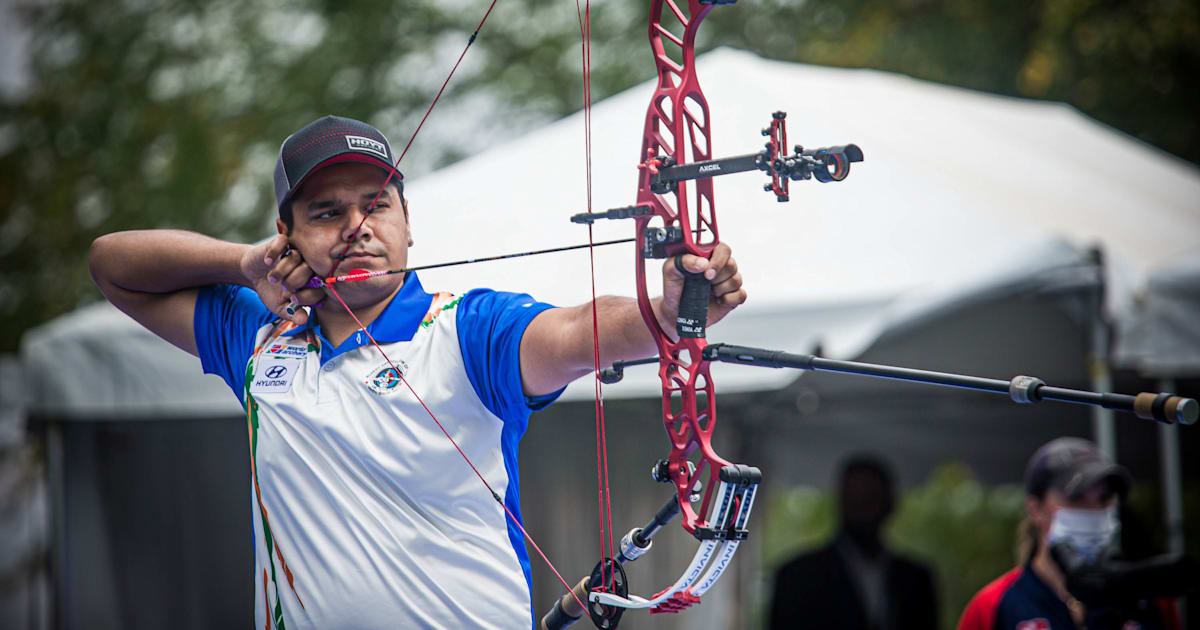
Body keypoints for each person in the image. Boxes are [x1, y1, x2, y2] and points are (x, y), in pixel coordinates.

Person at [88, 115, 746, 629]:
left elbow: (577, 331)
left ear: (407, 221)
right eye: (326, 212)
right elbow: (111, 264)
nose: (357, 228)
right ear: (285, 232)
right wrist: (243, 265)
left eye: (376, 206)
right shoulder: (258, 336)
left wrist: (669, 310)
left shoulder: (465, 331)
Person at [956, 437, 1182, 630]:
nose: (1094, 511)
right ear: (1036, 509)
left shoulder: (1150, 599)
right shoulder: (993, 605)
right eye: (1076, 498)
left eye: (1104, 499)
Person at [769, 454, 939, 630]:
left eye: (870, 499)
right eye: (855, 500)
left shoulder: (916, 581)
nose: (862, 510)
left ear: (889, 504)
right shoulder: (798, 577)